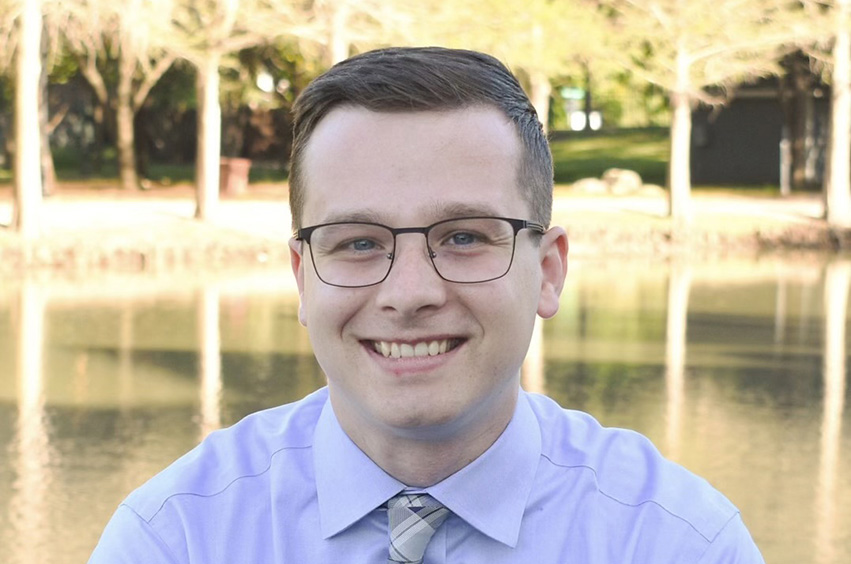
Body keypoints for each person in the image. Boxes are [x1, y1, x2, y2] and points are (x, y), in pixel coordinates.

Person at [89, 46, 764, 564]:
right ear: (303, 276)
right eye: (356, 242)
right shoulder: (178, 538)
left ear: (549, 270)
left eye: (464, 237)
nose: (409, 294)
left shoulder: (673, 542)